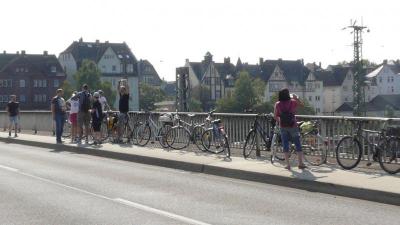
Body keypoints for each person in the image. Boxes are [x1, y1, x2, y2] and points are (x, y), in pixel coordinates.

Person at [274, 88, 306, 170]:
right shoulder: (293, 102)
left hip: (283, 127)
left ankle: (288, 165)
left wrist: (281, 122)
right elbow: (302, 105)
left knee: (285, 144)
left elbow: (275, 117)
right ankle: (300, 163)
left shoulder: (277, 104)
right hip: (293, 126)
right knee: (297, 143)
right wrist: (296, 98)